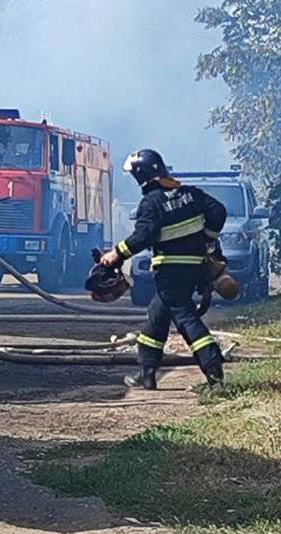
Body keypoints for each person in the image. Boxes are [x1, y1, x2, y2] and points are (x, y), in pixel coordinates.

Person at [99, 148, 228, 391]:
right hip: (194, 267)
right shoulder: (190, 194)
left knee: (185, 317)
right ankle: (146, 373)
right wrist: (208, 239)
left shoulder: (152, 202)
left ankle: (215, 374)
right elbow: (218, 211)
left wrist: (116, 253)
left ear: (142, 176)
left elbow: (143, 236)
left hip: (170, 269)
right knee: (157, 312)